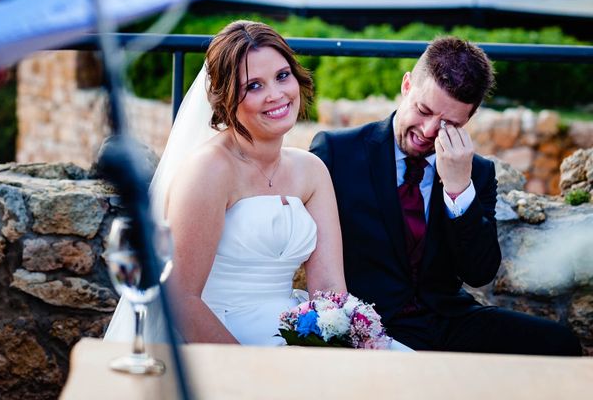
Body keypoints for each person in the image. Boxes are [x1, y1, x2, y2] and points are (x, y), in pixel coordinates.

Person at [104, 20, 410, 349]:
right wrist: (249, 368)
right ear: (226, 98)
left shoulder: (312, 170)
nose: (276, 95)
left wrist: (341, 343)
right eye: (254, 86)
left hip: (294, 330)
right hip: (224, 336)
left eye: (282, 76)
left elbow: (329, 290)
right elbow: (181, 298)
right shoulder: (208, 171)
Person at [310, 36, 582, 355]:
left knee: (560, 343)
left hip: (448, 320)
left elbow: (479, 273)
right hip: (368, 323)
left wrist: (459, 189)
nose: (428, 131)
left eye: (449, 123)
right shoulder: (336, 152)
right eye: (423, 110)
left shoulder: (477, 172)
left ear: (468, 119)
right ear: (407, 85)